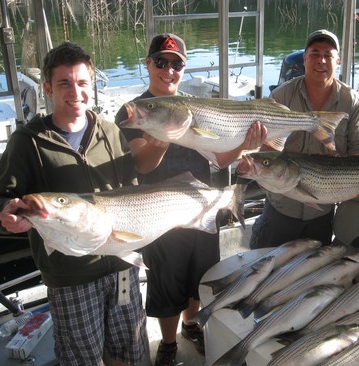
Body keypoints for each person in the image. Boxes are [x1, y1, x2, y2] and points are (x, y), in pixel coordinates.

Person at [114, 33, 266, 366]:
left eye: (177, 64)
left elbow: (221, 159)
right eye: (161, 62)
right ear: (148, 64)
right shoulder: (136, 110)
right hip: (158, 211)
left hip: (201, 206)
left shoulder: (194, 106)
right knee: (165, 279)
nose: (169, 70)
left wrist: (244, 144)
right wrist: (164, 135)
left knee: (200, 275)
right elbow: (142, 163)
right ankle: (168, 342)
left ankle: (189, 325)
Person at [0, 42, 147, 365]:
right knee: (82, 359)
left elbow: (131, 193)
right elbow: (0, 199)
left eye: (81, 82)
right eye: (64, 83)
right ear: (47, 88)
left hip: (121, 266)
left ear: (91, 85)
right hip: (71, 279)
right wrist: (3, 213)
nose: (75, 92)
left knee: (130, 353)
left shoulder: (110, 132)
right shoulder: (27, 142)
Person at [249, 29, 359, 250]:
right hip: (280, 207)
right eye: (314, 54)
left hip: (322, 212)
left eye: (328, 55)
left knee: (311, 275)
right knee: (266, 270)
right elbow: (267, 150)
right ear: (304, 58)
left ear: (337, 61)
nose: (321, 61)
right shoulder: (281, 97)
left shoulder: (352, 102)